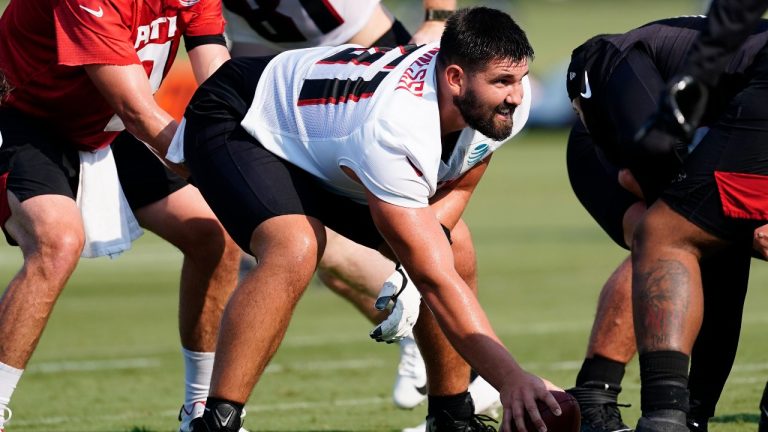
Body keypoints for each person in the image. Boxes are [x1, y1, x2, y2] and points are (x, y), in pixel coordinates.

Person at [169, 7, 565, 432]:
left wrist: (432, 244)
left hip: (324, 137)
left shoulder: (496, 104)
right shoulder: (397, 128)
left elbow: (463, 178)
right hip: (241, 115)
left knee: (451, 245)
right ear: (454, 78)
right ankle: (217, 420)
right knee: (295, 245)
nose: (517, 95)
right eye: (502, 82)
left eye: (520, 79)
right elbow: (435, 279)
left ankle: (452, 415)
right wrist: (510, 381)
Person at [0, 1, 244, 432]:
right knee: (57, 242)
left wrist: (250, 150)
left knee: (214, 235)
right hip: (24, 114)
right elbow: (139, 112)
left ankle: (203, 415)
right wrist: (228, 172)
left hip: (106, 121)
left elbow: (218, 82)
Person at [566, 12, 768, 432]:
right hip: (613, 85)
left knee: (701, 238)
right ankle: (602, 393)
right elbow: (631, 178)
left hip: (697, 124)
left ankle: (688, 415)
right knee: (677, 232)